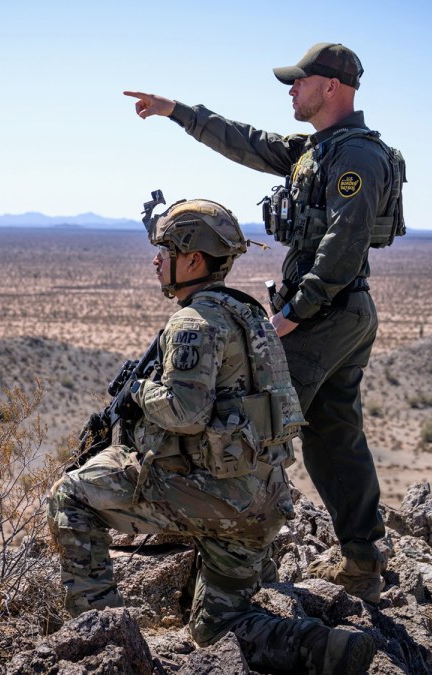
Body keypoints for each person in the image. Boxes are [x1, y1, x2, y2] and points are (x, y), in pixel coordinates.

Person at [123, 42, 406, 604]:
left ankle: (235, 573)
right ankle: (362, 561)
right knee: (333, 435)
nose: (291, 89)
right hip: (339, 311)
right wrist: (177, 111)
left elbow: (344, 244)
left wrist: (292, 316)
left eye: (300, 80)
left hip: (326, 314)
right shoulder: (314, 150)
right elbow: (246, 141)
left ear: (332, 86)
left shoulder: (356, 156)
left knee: (252, 429)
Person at [47, 198, 375, 673]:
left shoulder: (192, 322)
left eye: (166, 252)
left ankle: (101, 635)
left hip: (211, 500)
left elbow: (186, 412)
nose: (156, 261)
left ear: (194, 260)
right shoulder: (252, 316)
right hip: (260, 507)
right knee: (216, 629)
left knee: (71, 495)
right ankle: (322, 646)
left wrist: (138, 391)